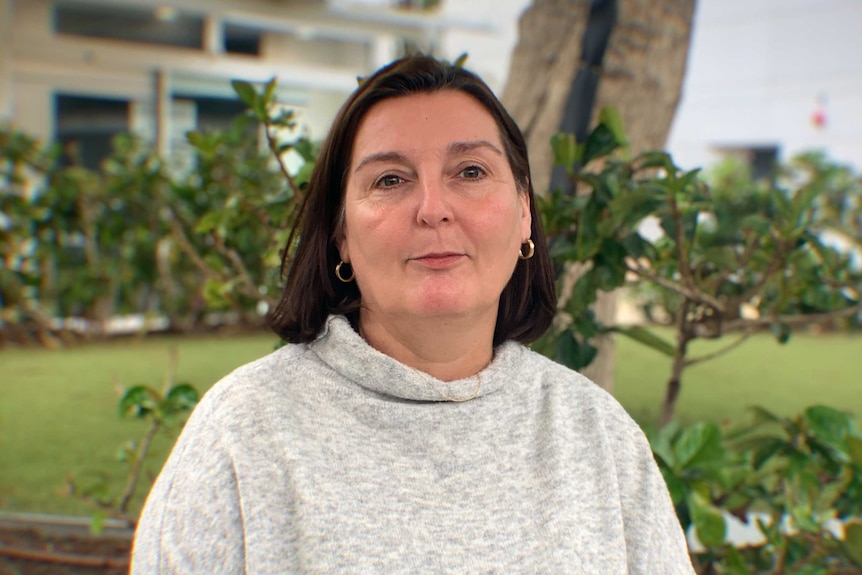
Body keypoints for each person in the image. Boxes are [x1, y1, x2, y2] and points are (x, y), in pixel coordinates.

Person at [131, 55, 695, 574]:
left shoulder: (598, 433)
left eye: (470, 171)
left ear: (525, 213)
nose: (433, 210)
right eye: (390, 180)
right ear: (341, 236)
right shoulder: (244, 432)